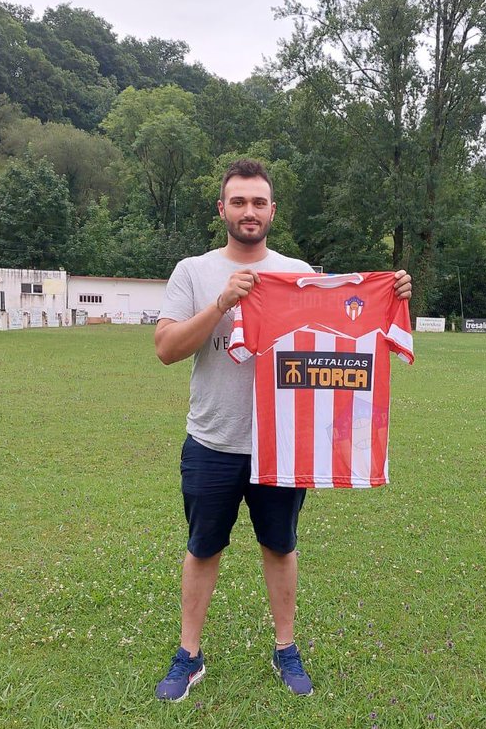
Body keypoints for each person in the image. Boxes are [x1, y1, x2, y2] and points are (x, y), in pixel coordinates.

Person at [153, 158, 412, 701]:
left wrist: (389, 295)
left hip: (285, 443)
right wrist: (222, 303)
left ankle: (286, 648)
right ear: (221, 208)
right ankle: (189, 655)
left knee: (280, 546)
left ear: (273, 210)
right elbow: (167, 349)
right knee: (203, 548)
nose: (250, 211)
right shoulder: (192, 272)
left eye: (259, 202)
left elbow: (339, 331)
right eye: (239, 201)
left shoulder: (299, 271)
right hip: (213, 440)